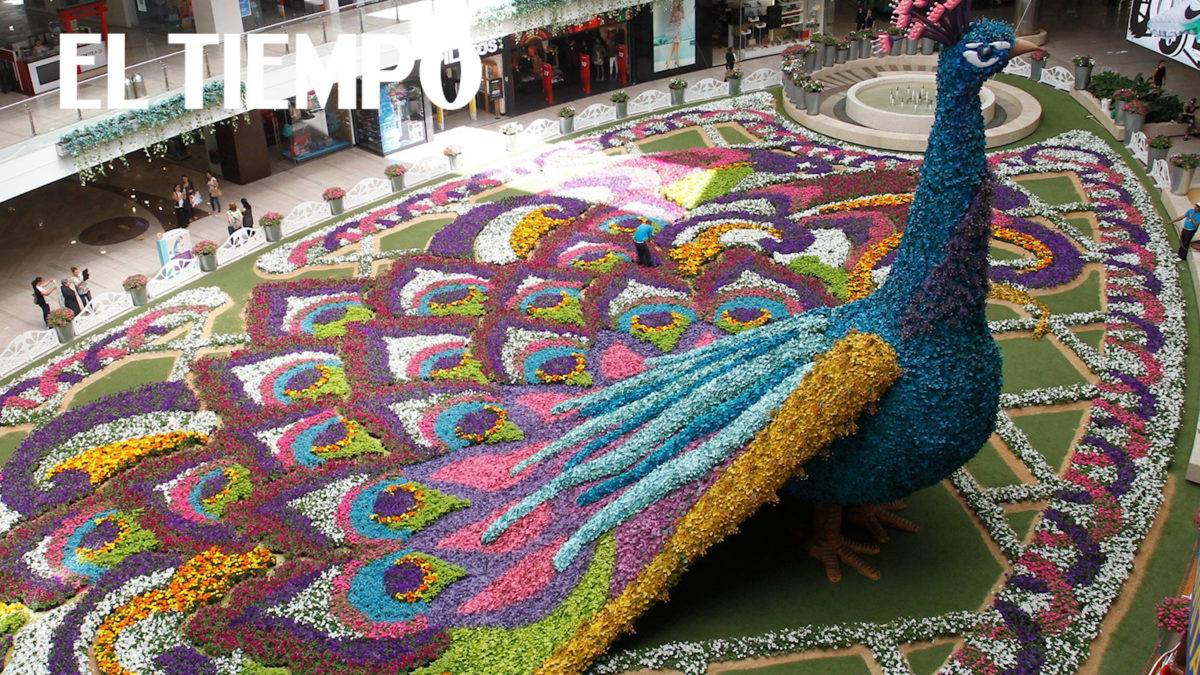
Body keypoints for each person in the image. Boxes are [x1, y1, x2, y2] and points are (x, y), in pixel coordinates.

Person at [665, 0, 685, 69]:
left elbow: (683, 17)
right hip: (675, 29)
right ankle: (677, 61)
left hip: (678, 29)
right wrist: (677, 18)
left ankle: (668, 61)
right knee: (676, 45)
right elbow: (671, 20)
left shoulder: (680, 9)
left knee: (675, 45)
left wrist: (681, 13)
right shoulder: (674, 10)